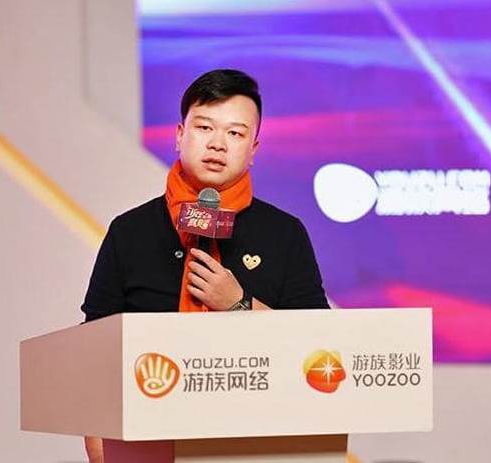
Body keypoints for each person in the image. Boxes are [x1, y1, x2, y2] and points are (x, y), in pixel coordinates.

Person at [82, 69, 329, 462]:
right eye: (204, 127)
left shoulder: (284, 233)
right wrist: (100, 449)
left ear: (253, 149)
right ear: (180, 135)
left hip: (256, 440)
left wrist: (237, 305)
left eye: (235, 133)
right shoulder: (130, 231)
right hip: (149, 435)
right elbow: (94, 348)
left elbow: (320, 347)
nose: (217, 144)